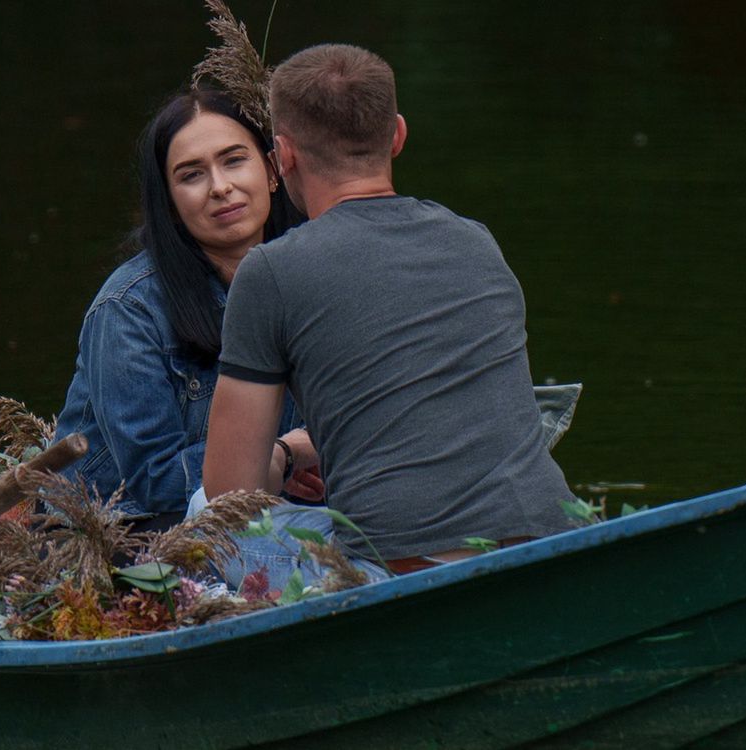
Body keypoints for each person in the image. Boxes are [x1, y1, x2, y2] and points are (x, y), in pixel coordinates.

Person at [203, 44, 579, 577]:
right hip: (549, 545)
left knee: (201, 512)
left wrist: (288, 454)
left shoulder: (270, 271)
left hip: (402, 572)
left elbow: (229, 497)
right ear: (398, 134)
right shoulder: (476, 241)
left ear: (282, 156)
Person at [53, 88, 321, 531]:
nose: (221, 187)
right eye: (192, 175)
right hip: (122, 535)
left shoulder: (310, 281)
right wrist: (282, 454)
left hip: (259, 516)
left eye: (234, 160)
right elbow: (153, 481)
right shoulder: (129, 308)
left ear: (273, 170)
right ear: (171, 204)